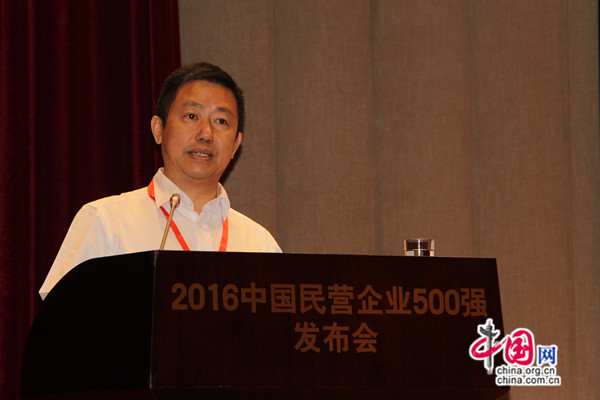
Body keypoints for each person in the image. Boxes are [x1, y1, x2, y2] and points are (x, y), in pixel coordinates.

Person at [39, 62, 281, 300]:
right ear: (158, 129)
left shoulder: (260, 244)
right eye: (192, 116)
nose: (206, 134)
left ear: (236, 145)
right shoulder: (107, 221)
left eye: (221, 121)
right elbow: (61, 315)